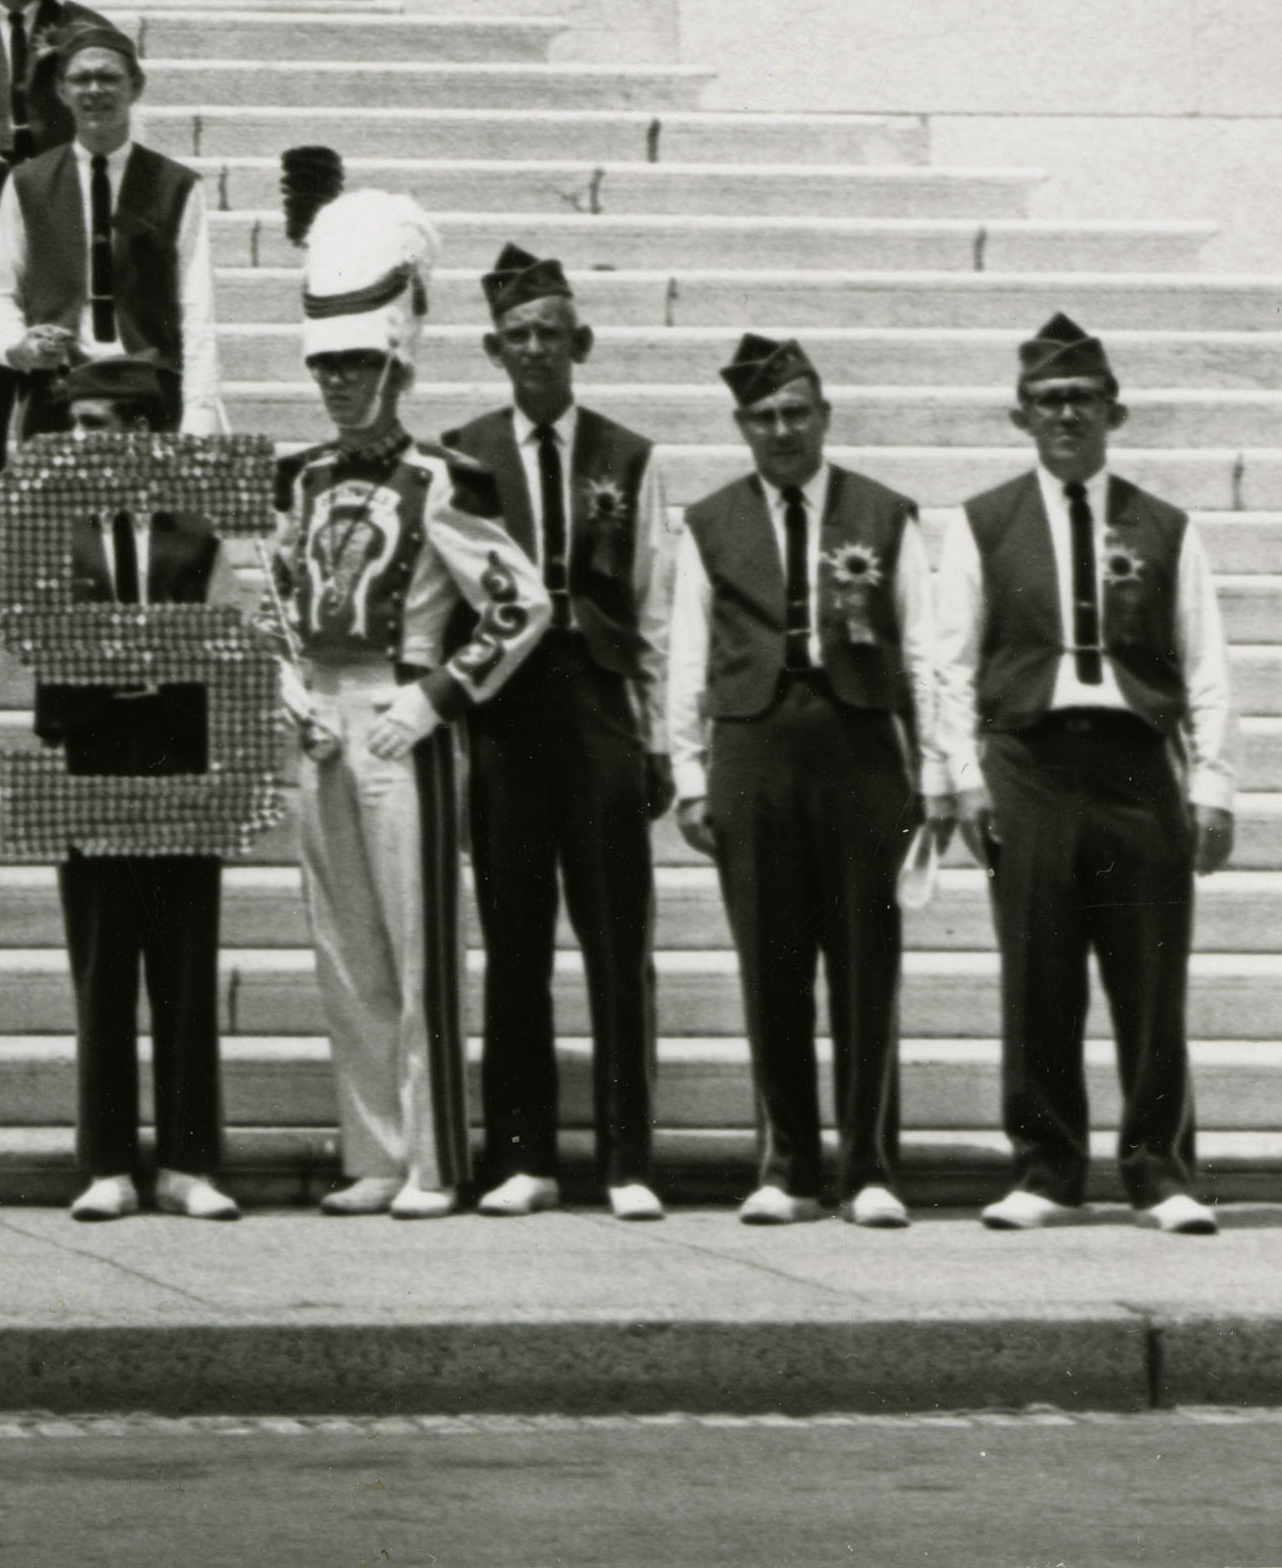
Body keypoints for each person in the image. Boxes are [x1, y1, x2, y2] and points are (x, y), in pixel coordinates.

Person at [264, 165, 538, 1216]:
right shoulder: (296, 477)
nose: (338, 382)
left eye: (355, 364)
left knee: (421, 948)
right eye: (326, 364)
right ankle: (371, 1150)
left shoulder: (438, 479)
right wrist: (285, 677)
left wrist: (439, 697)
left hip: (400, 716)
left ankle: (433, 1157)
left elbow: (520, 605)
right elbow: (276, 590)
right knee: (342, 948)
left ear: (393, 364)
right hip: (317, 726)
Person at [941, 311, 1238, 1234]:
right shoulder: (981, 523)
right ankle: (1044, 1170)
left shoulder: (1165, 527)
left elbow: (1205, 663)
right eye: (1046, 401)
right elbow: (948, 662)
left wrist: (1214, 785)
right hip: (1027, 764)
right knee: (1038, 972)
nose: (1065, 416)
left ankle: (1160, 1171)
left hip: (1134, 766)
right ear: (1018, 417)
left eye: (1082, 400)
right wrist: (962, 775)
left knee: (1150, 978)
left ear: (1115, 412)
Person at [659, 328, 956, 1228]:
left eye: (796, 413)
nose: (781, 431)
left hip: (860, 750)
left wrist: (937, 767)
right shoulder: (710, 524)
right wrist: (688, 773)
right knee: (771, 965)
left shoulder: (882, 512)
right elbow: (685, 654)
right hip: (753, 752)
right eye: (762, 417)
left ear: (824, 416)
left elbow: (922, 645)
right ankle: (785, 1166)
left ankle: (869, 1166)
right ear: (740, 426)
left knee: (867, 963)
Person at [0, 345, 240, 1222]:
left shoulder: (197, 529)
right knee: (101, 961)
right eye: (71, 425)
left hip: (175, 751)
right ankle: (106, 1163)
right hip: (87, 751)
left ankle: (190, 1163)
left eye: (93, 427)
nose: (76, 442)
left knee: (184, 960)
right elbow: (1, 659)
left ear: (139, 432)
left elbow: (229, 643)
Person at [442, 244, 675, 1216]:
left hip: (595, 698)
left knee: (617, 939)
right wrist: (458, 745)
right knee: (514, 939)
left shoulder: (628, 455)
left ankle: (625, 1160)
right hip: (505, 708)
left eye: (550, 332)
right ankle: (522, 1156)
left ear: (577, 342)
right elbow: (445, 605)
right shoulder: (461, 452)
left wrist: (657, 736)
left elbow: (655, 600)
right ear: (495, 349)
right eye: (517, 335)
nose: (534, 348)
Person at [0, 20, 217, 625]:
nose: (96, 91)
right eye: (81, 79)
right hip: (61, 402)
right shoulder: (29, 183)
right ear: (61, 91)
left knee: (152, 581)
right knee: (66, 582)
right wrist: (17, 347)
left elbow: (197, 308)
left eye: (110, 77)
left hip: (149, 404)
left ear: (136, 86)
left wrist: (200, 419)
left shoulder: (177, 186)